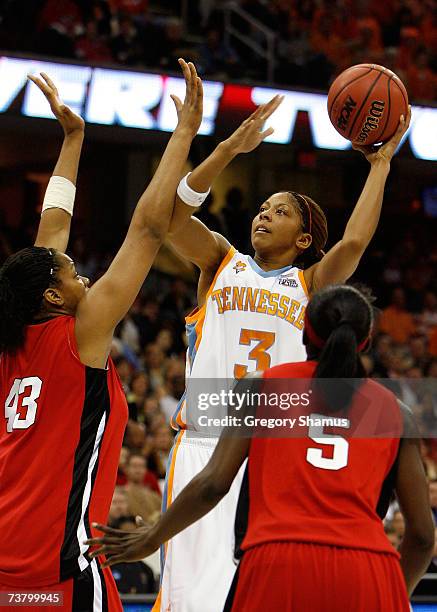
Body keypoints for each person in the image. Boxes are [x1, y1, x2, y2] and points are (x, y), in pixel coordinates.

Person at [149, 94, 412, 611]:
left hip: (272, 446)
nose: (264, 214)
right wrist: (225, 150)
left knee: (261, 592)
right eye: (263, 208)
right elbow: (169, 219)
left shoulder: (310, 283)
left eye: (281, 211)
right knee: (188, 598)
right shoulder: (220, 261)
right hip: (204, 437)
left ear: (305, 236)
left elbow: (355, 242)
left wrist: (379, 166)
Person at [86, 285, 435, 611]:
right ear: (366, 340)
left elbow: (213, 484)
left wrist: (152, 538)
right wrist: (388, 594)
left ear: (302, 332)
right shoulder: (395, 412)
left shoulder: (261, 387)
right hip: (368, 568)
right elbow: (421, 536)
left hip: (277, 560)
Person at [0, 59, 203, 610]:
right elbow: (148, 227)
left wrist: (73, 139)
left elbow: (51, 232)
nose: (83, 275)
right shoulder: (80, 335)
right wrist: (184, 133)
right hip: (58, 568)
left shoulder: (14, 341)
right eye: (72, 274)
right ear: (53, 296)